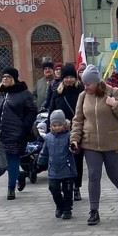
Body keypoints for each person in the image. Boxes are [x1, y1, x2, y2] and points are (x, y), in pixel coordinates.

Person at [69, 65, 118, 226]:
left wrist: (114, 104)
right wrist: (74, 139)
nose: (86, 87)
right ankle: (94, 211)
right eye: (84, 83)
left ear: (96, 82)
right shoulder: (83, 96)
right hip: (90, 143)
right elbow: (78, 120)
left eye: (88, 83)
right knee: (93, 175)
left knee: (114, 174)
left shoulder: (114, 92)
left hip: (112, 143)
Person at [0, 67, 37, 200]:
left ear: (14, 79)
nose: (5, 79)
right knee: (0, 162)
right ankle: (19, 175)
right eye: (3, 76)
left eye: (8, 77)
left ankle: (11, 188)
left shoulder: (23, 93)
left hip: (15, 134)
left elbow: (32, 110)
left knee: (11, 160)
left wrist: (24, 126)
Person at [47, 64, 86, 201]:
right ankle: (65, 185)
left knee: (77, 159)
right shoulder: (57, 92)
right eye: (66, 77)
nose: (69, 80)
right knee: (63, 159)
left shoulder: (81, 91)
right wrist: (49, 130)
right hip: (61, 132)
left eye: (71, 77)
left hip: (78, 130)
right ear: (62, 78)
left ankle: (76, 187)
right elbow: (52, 111)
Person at [37, 109, 77, 220]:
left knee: (68, 191)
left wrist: (73, 148)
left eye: (59, 125)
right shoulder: (49, 137)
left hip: (67, 169)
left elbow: (75, 149)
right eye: (54, 125)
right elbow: (44, 151)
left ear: (64, 125)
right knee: (53, 188)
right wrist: (40, 162)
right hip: (53, 169)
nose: (57, 127)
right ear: (51, 126)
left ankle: (68, 209)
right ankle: (59, 205)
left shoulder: (69, 136)